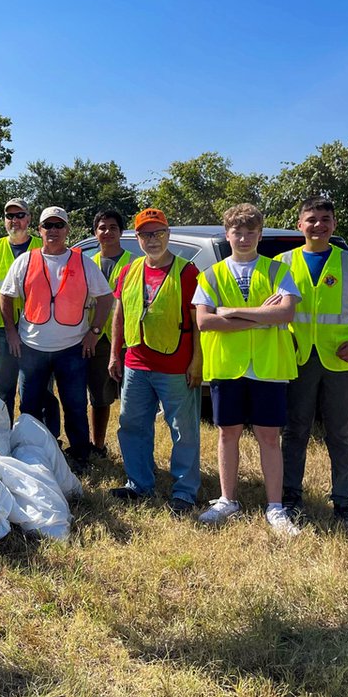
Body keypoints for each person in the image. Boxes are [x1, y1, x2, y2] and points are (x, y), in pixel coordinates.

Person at [193, 203, 301, 535]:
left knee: (269, 437)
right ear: (227, 235)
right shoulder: (210, 275)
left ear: (260, 234)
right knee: (228, 434)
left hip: (268, 366)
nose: (243, 238)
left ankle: (275, 507)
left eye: (250, 232)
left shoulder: (278, 271)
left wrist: (233, 312)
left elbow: (284, 315)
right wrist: (257, 317)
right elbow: (205, 321)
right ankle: (228, 500)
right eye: (237, 232)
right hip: (227, 367)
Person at [280, 197, 348, 530]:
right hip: (298, 359)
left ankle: (343, 504)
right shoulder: (282, 263)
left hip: (341, 360)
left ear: (334, 224)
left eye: (325, 219)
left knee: (341, 435)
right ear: (300, 225)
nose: (318, 225)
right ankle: (290, 497)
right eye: (311, 219)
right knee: (295, 431)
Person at [0, 207, 113, 468]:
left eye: (58, 225)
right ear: (39, 230)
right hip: (32, 348)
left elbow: (106, 298)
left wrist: (94, 333)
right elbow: (6, 296)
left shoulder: (83, 261)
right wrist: (11, 332)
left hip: (72, 348)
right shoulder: (26, 261)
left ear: (67, 230)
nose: (53, 230)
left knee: (74, 404)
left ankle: (80, 455)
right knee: (29, 406)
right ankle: (31, 454)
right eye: (47, 225)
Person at [107, 209, 203, 514]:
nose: (153, 239)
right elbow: (119, 314)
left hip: (175, 365)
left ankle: (185, 492)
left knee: (183, 430)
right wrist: (114, 353)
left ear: (168, 233)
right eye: (146, 234)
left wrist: (197, 361)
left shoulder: (187, 272)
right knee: (132, 425)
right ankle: (139, 484)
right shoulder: (129, 271)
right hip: (136, 362)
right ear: (137, 238)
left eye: (158, 232)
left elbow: (197, 321)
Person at [0, 198, 42, 418]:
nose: (14, 220)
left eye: (19, 215)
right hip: (1, 330)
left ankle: (41, 439)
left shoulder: (42, 245)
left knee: (39, 389)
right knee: (3, 390)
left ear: (29, 218)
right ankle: (4, 437)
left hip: (37, 330)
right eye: (10, 216)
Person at [87, 210, 133, 457]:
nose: (107, 232)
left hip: (127, 340)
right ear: (95, 232)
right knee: (99, 397)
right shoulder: (86, 263)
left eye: (113, 227)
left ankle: (131, 449)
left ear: (121, 232)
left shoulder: (134, 263)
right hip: (96, 338)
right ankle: (98, 445)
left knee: (131, 400)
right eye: (102, 227)